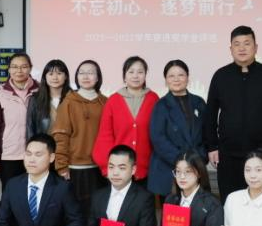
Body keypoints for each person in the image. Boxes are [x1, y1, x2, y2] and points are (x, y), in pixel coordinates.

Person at [205, 26, 262, 204]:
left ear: (256, 47)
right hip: (228, 154)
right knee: (230, 202)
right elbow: (211, 113)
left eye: (247, 43)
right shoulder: (220, 76)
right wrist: (212, 146)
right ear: (230, 48)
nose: (242, 48)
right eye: (237, 44)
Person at [51, 59, 108, 217]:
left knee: (99, 212)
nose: (86, 76)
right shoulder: (68, 102)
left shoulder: (105, 102)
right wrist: (61, 165)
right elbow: (61, 136)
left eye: (90, 73)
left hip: (101, 168)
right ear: (76, 77)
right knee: (77, 213)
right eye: (82, 73)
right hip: (76, 168)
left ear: (98, 77)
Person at [93, 56, 159, 190]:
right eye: (131, 71)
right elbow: (105, 136)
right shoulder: (113, 100)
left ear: (145, 75)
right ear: (124, 76)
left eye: (140, 72)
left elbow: (158, 135)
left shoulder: (153, 99)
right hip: (119, 170)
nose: (135, 76)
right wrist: (108, 168)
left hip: (146, 170)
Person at [149, 60, 207, 198]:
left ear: (188, 77)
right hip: (169, 169)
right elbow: (158, 138)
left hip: (196, 168)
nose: (176, 79)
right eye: (171, 76)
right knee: (173, 210)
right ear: (166, 80)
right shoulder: (161, 105)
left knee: (197, 209)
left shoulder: (199, 102)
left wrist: (198, 159)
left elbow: (207, 133)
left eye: (181, 75)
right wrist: (182, 162)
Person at [0, 53, 39, 192]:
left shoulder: (40, 90)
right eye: (14, 67)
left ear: (30, 68)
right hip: (9, 156)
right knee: (11, 195)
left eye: (24, 66)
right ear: (9, 69)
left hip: (36, 154)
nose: (19, 71)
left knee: (35, 194)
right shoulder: (0, 93)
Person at [26, 59, 71, 139]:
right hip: (43, 145)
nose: (55, 77)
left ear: (66, 76)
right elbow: (30, 128)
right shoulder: (35, 99)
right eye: (50, 74)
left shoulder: (74, 98)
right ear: (45, 77)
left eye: (59, 73)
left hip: (68, 145)